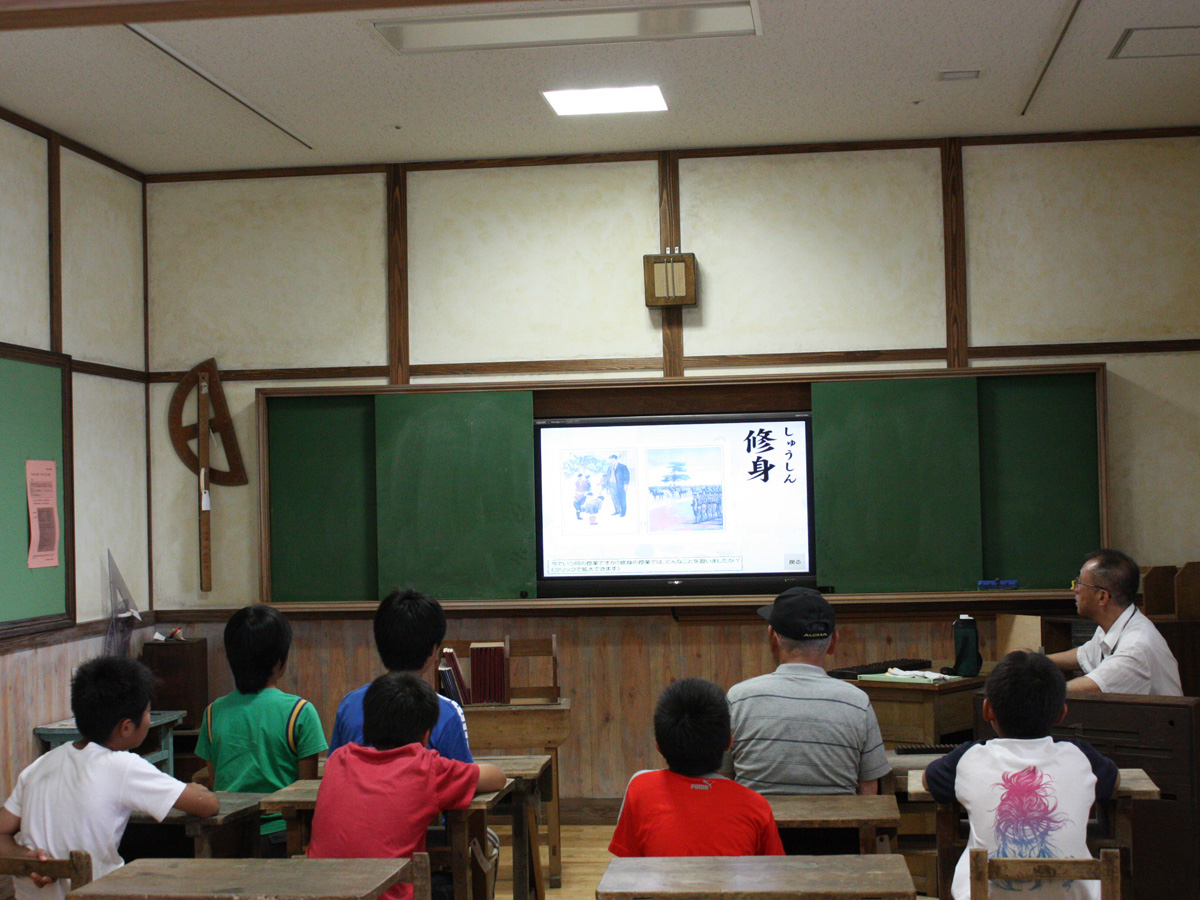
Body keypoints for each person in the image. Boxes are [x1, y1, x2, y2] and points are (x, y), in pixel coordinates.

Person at [0, 658, 219, 900]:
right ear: (126, 727)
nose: (148, 719)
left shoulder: (41, 764)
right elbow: (206, 805)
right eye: (148, 712)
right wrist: (194, 788)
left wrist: (23, 856)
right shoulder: (122, 765)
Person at [924, 651, 1119, 900]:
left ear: (987, 710)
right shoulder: (1081, 756)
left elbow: (928, 780)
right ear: (1062, 713)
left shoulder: (968, 758)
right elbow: (1114, 779)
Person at [307, 673, 506, 900]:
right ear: (425, 735)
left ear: (368, 726)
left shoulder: (338, 760)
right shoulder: (426, 767)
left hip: (318, 894)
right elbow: (497, 777)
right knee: (484, 844)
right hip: (390, 896)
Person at [723, 587, 890, 797]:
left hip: (758, 829)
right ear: (834, 641)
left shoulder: (739, 699)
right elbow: (868, 788)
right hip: (840, 829)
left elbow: (723, 780)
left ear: (772, 638)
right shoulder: (857, 702)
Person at [194, 604, 327, 855]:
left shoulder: (213, 713)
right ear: (280, 661)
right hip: (283, 835)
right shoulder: (300, 711)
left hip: (227, 835)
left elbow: (216, 782)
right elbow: (305, 794)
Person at [609, 678, 783, 857]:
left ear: (658, 747)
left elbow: (627, 866)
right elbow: (774, 873)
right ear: (729, 743)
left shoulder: (640, 789)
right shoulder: (756, 805)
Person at [330, 588, 472, 761]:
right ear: (433, 651)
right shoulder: (446, 712)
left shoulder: (349, 705)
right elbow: (463, 780)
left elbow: (336, 767)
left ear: (380, 644)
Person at [1046, 549, 1182, 695]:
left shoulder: (1135, 647)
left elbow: (1092, 687)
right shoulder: (1114, 624)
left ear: (1102, 597)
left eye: (1079, 583)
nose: (1075, 589)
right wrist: (1034, 661)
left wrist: (1031, 689)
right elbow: (1084, 655)